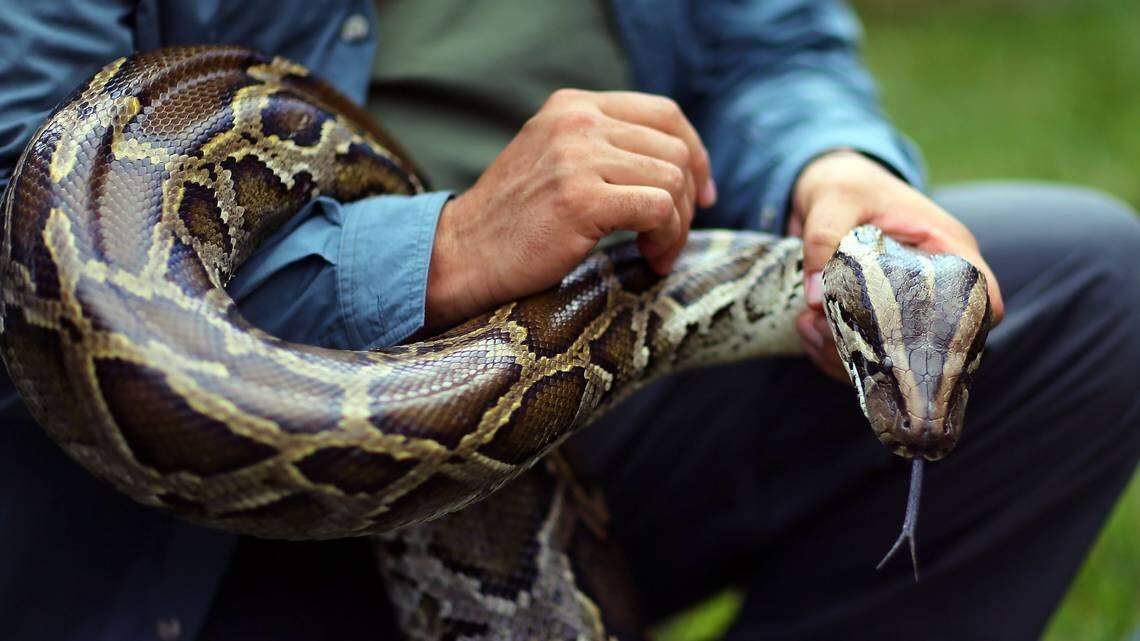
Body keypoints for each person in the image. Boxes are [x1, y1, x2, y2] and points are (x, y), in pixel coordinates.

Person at [0, 1, 1136, 640]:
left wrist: (827, 164)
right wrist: (445, 249)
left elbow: (772, 52)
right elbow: (21, 190)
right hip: (176, 524)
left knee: (1082, 282)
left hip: (572, 372)